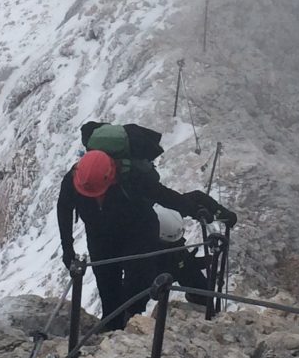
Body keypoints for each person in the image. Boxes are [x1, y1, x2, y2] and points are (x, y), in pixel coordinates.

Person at [55, 120, 235, 327]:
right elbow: (64, 210)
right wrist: (67, 249)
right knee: (107, 289)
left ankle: (131, 324)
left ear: (110, 175)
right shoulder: (74, 178)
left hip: (138, 234)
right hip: (101, 238)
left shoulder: (132, 177)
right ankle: (113, 328)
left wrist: (194, 210)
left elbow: (163, 195)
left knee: (137, 287)